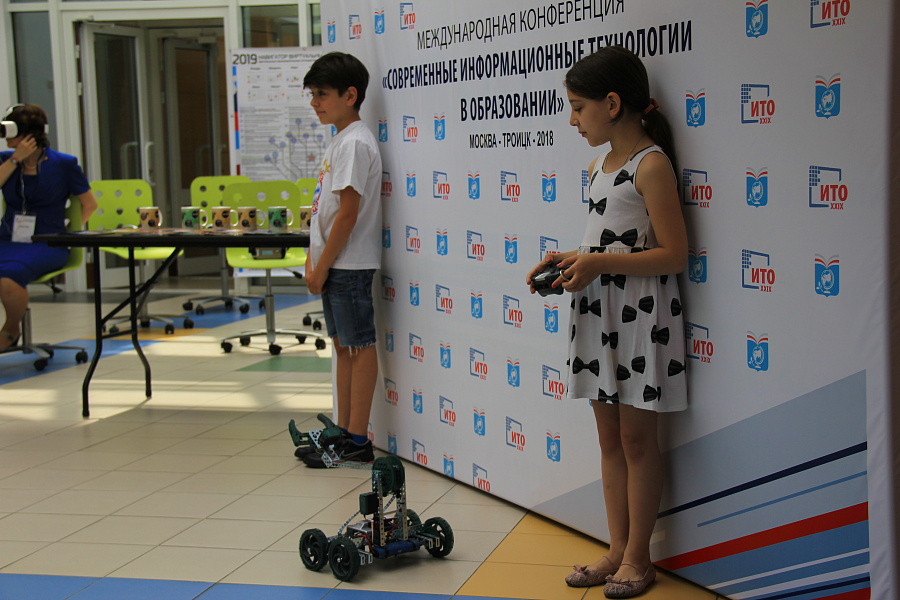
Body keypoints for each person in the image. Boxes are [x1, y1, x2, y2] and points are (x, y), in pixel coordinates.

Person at [526, 47, 688, 598]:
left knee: (638, 441)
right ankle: (616, 549)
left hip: (640, 318)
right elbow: (607, 242)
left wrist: (598, 262)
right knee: (610, 439)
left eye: (578, 108)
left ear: (612, 104)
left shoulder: (652, 164)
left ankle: (639, 558)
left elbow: (673, 255)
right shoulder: (597, 167)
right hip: (599, 312)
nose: (572, 120)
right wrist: (571, 260)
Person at [297, 52, 383, 468]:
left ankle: (357, 439)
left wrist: (323, 265)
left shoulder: (354, 143)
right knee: (343, 347)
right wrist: (315, 262)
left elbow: (348, 214)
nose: (315, 103)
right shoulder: (341, 139)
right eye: (312, 95)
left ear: (350, 95)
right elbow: (327, 211)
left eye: (322, 94)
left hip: (347, 263)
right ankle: (343, 432)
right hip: (335, 263)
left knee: (359, 347)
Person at [0, 104, 97, 351]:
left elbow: (89, 204)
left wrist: (70, 233)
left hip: (48, 242)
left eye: (11, 131)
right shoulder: (5, 161)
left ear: (29, 134)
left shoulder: (63, 164)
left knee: (9, 276)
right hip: (8, 238)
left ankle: (11, 329)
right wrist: (15, 159)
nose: (5, 137)